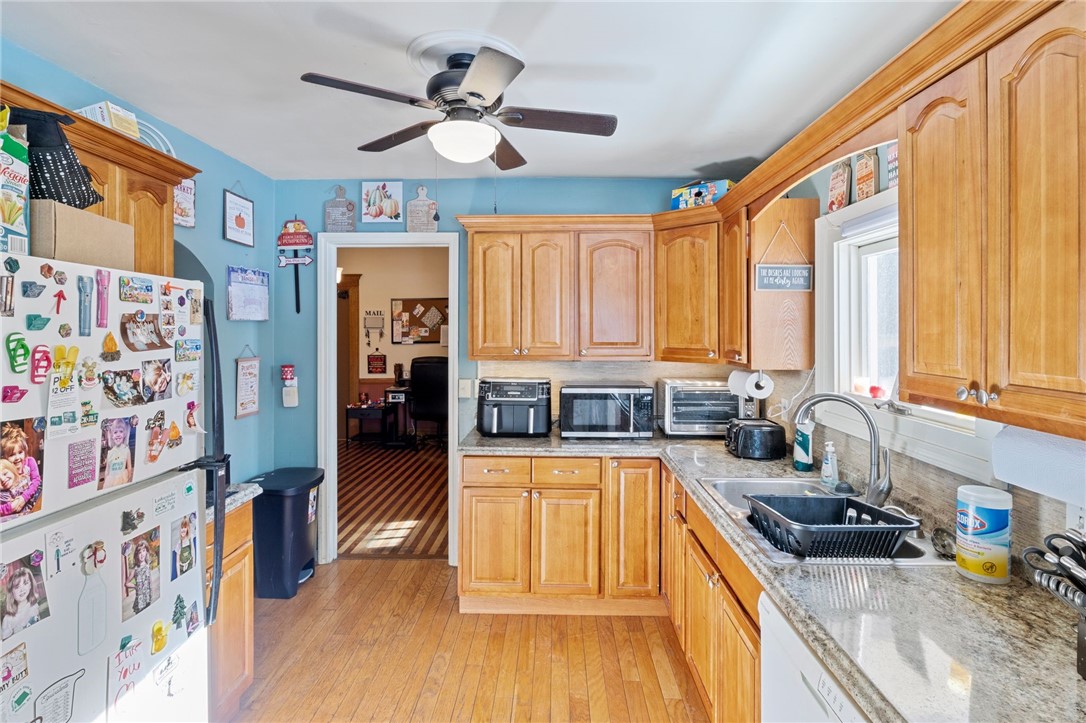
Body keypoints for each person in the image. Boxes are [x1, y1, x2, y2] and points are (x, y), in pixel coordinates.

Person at [1, 424, 42, 515]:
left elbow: (36, 480)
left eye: (20, 452)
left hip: (32, 505)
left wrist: (23, 497)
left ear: (25, 451)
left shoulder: (30, 462)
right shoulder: (6, 473)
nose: (17, 458)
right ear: (5, 457)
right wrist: (10, 506)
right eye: (12, 455)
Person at [1, 563, 42, 639]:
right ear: (11, 592)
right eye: (17, 587)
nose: (22, 589)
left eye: (25, 583)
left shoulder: (34, 606)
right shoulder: (8, 619)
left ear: (30, 585)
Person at [101, 419, 133, 489]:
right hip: (111, 481)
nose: (118, 434)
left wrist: (129, 479)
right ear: (112, 436)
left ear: (124, 434)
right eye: (115, 432)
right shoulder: (110, 453)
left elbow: (129, 467)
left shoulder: (126, 450)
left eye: (121, 431)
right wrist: (106, 481)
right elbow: (107, 470)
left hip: (122, 479)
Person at [129, 539, 153, 616]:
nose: (142, 554)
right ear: (136, 555)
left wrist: (150, 591)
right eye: (139, 552)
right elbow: (126, 583)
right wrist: (135, 586)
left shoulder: (147, 566)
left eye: (144, 551)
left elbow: (150, 580)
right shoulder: (135, 569)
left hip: (147, 597)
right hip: (140, 600)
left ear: (146, 552)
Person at [172, 515, 195, 579]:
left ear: (187, 529)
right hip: (181, 567)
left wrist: (193, 563)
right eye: (182, 528)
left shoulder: (190, 538)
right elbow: (177, 562)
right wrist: (178, 575)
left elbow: (193, 550)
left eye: (185, 528)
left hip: (189, 564)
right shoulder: (179, 544)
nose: (183, 530)